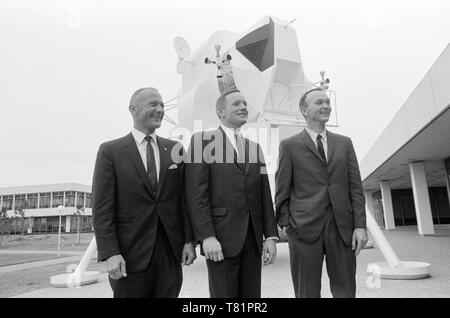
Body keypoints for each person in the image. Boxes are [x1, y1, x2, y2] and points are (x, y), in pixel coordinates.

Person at [92, 87, 196, 298]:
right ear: (133, 109)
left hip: (169, 255)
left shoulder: (175, 149)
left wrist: (189, 241)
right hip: (129, 256)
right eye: (153, 104)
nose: (160, 110)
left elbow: (183, 201)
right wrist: (110, 253)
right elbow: (102, 208)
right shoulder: (110, 151)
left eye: (162, 106)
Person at [185, 89, 279, 298]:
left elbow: (265, 195)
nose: (243, 107)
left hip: (252, 241)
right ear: (220, 111)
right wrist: (206, 236)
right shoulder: (202, 142)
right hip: (220, 241)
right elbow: (196, 195)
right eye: (236, 104)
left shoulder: (255, 148)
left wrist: (270, 237)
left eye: (245, 103)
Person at [275, 88, 368, 298]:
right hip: (302, 229)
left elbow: (355, 188)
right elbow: (282, 189)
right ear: (304, 110)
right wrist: (286, 224)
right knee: (306, 292)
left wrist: (360, 226)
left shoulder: (345, 143)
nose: (326, 106)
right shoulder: (289, 146)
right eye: (319, 102)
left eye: (327, 102)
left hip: (342, 227)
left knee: (345, 291)